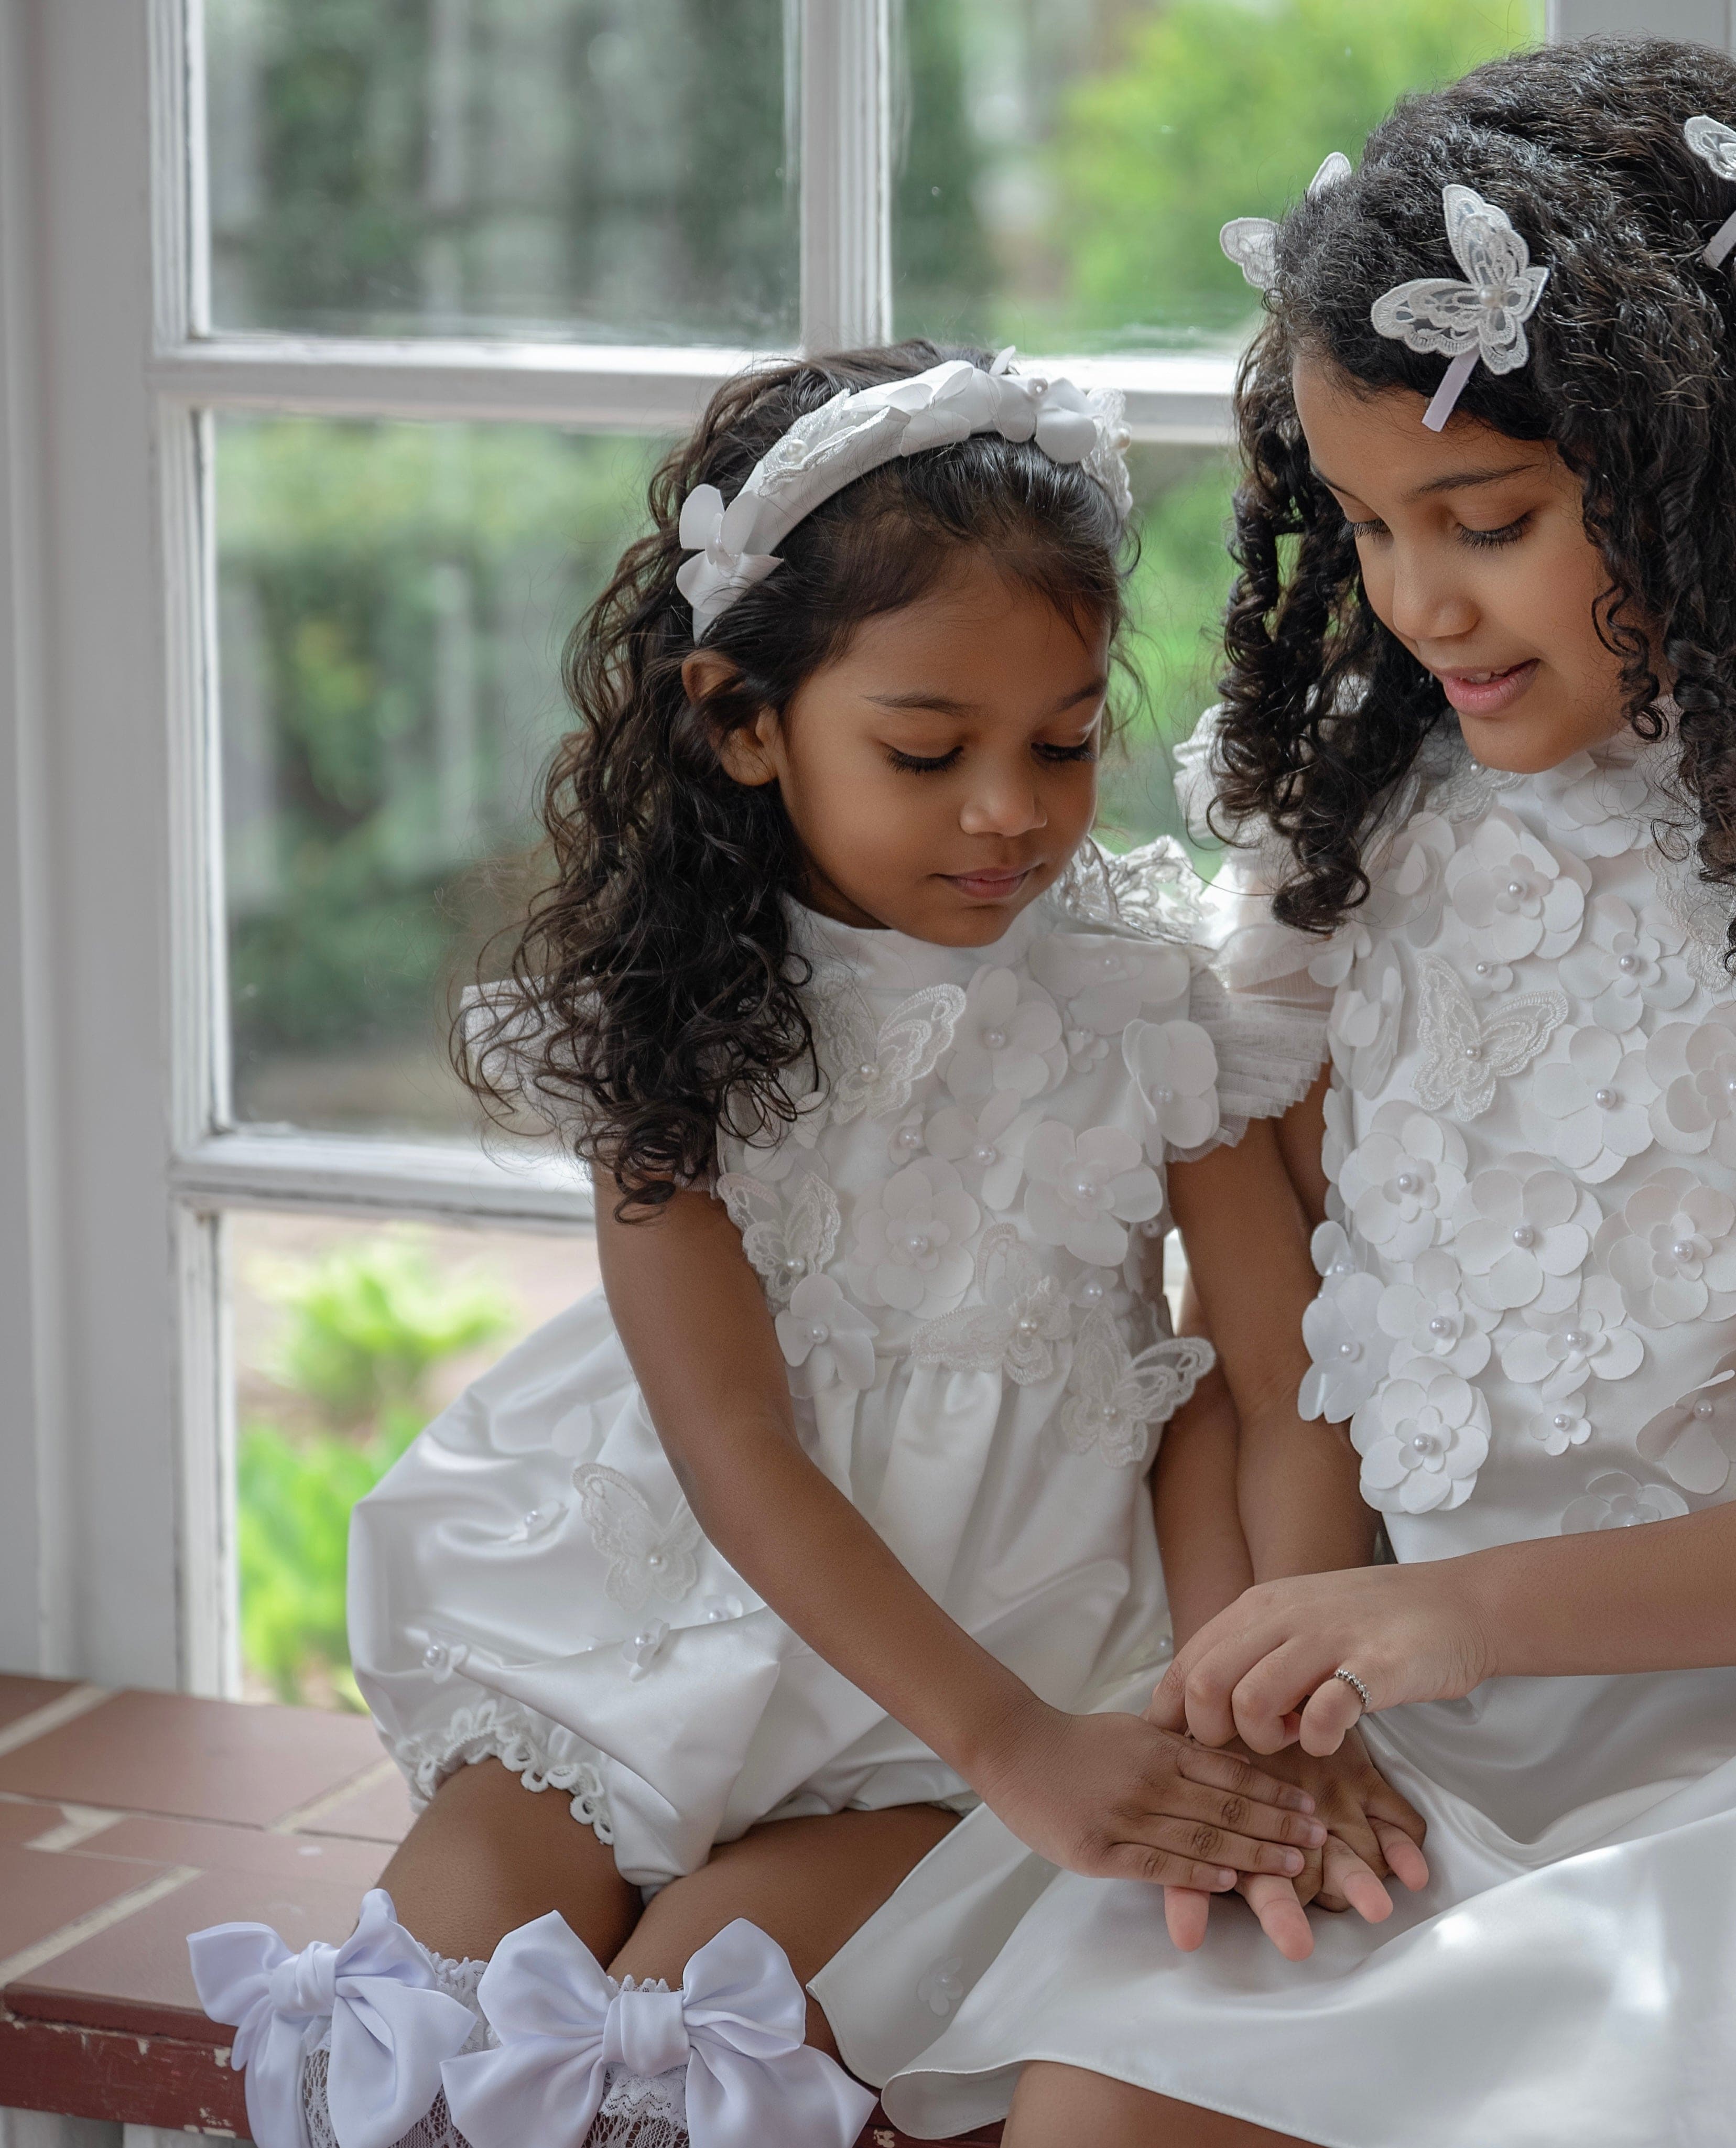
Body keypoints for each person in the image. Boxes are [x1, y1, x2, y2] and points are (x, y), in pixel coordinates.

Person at [821, 42, 1736, 2148]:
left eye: (1489, 520)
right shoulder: (1363, 844)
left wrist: (1451, 1611)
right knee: (1110, 2106)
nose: (1416, 599)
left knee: (1615, 2086)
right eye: (1367, 525)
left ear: (1722, 476)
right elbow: (1272, 1359)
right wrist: (1294, 1676)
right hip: (1427, 1704)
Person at [184, 342, 1421, 2148]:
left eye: (1065, 739)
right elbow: (736, 1451)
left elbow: (1278, 1360)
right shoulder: (665, 1028)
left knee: (684, 2036)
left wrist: (1269, 1696)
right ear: (743, 719)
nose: (1012, 807)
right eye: (929, 750)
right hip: (655, 1629)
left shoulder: (1148, 992)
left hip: (981, 1678)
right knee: (443, 1985)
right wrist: (1022, 1747)